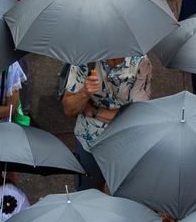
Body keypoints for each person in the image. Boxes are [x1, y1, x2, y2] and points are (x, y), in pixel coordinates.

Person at [61, 57, 152, 191]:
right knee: (88, 196)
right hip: (89, 142)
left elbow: (136, 116)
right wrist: (84, 92)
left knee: (129, 198)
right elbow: (69, 109)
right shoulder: (84, 58)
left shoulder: (140, 62)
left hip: (126, 144)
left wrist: (92, 110)